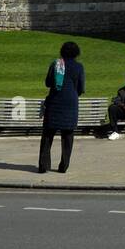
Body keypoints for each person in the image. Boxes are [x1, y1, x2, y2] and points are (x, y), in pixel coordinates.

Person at [39, 41, 85, 173]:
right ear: (76, 53)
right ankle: (63, 166)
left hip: (54, 102)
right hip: (70, 103)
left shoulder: (56, 64)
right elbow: (81, 87)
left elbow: (48, 83)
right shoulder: (79, 67)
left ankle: (43, 166)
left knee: (48, 135)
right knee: (68, 136)